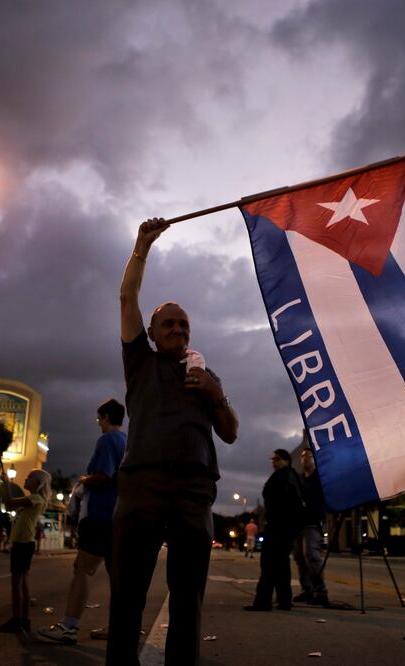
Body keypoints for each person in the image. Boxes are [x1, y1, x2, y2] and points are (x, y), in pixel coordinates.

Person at [108, 217, 239, 666]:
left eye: (184, 326)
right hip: (141, 488)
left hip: (193, 493)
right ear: (151, 332)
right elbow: (127, 297)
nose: (179, 332)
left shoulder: (205, 375)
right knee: (127, 595)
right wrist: (142, 246)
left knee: (188, 600)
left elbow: (231, 432)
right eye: (170, 325)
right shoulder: (139, 362)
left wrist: (215, 394)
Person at [39, 399, 128, 646]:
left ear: (106, 417)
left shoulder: (108, 440)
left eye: (99, 418)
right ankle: (120, 628)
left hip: (100, 516)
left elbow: (103, 475)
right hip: (118, 516)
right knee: (115, 575)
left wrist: (83, 481)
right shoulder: (125, 441)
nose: (98, 423)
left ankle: (69, 626)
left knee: (82, 569)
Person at [245, 449, 304, 611]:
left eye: (277, 459)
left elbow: (288, 504)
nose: (274, 462)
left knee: (269, 563)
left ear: (286, 460)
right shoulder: (288, 476)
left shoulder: (285, 476)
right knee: (281, 564)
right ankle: (284, 601)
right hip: (283, 527)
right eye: (273, 459)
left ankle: (263, 601)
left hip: (280, 526)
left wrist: (284, 524)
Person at [0, 468, 52, 633]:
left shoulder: (35, 498)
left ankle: (17, 619)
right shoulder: (35, 499)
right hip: (23, 543)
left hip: (23, 543)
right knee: (22, 582)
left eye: (29, 477)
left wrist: (7, 484)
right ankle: (23, 619)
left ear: (38, 482)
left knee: (17, 583)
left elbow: (9, 503)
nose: (26, 479)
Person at [293, 447, 329, 606]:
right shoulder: (300, 479)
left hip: (313, 522)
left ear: (314, 459)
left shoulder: (320, 478)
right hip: (298, 522)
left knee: (311, 556)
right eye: (302, 456)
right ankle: (306, 590)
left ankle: (320, 591)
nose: (304, 459)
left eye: (308, 456)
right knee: (299, 557)